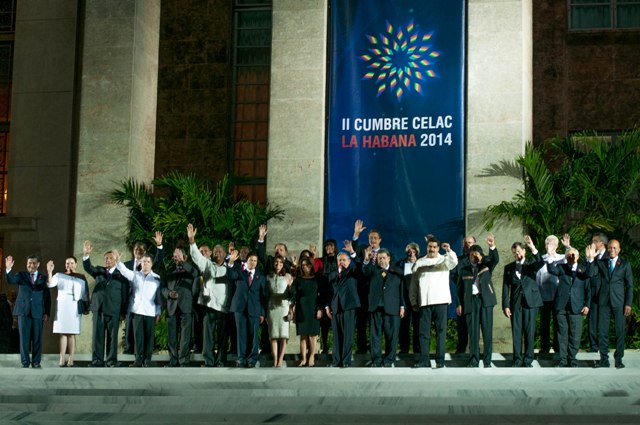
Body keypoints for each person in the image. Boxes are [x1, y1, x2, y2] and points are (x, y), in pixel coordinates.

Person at [188, 224, 235, 367]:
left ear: (224, 254)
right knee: (207, 335)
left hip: (223, 306)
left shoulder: (230, 267)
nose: (217, 253)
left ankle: (220, 360)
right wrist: (191, 240)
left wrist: (231, 261)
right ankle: (208, 361)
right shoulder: (207, 265)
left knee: (222, 336)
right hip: (209, 305)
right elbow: (196, 256)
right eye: (215, 251)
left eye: (220, 251)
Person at [409, 237, 458, 368]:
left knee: (441, 332)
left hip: (441, 301)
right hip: (424, 302)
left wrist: (449, 250)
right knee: (423, 333)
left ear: (438, 248)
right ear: (427, 247)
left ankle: (440, 360)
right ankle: (424, 360)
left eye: (434, 247)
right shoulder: (420, 262)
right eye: (430, 247)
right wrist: (413, 300)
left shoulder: (444, 260)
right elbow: (414, 284)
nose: (432, 249)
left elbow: (454, 262)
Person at [82, 241, 130, 368]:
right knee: (97, 336)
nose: (107, 260)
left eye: (110, 258)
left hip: (114, 310)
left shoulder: (122, 275)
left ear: (116, 260)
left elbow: (124, 295)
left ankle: (111, 361)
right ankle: (97, 361)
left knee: (112, 337)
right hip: (99, 308)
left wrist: (123, 312)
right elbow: (88, 267)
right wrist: (86, 255)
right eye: (106, 258)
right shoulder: (98, 271)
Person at [588, 239, 633, 369]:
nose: (612, 250)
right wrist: (591, 259)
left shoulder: (625, 264)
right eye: (610, 248)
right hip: (603, 302)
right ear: (607, 249)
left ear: (619, 250)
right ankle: (604, 360)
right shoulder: (601, 263)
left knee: (619, 331)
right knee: (602, 332)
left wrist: (628, 304)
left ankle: (618, 360)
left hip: (619, 303)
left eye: (614, 248)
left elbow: (630, 286)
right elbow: (591, 273)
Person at [456, 234, 499, 368]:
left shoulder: (486, 266)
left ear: (480, 255)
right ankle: (474, 359)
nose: (473, 257)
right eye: (471, 255)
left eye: (476, 255)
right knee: (473, 333)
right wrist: (458, 304)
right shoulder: (464, 270)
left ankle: (487, 361)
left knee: (487, 332)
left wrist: (491, 246)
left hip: (485, 301)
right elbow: (459, 289)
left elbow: (495, 259)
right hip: (471, 302)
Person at [502, 235, 544, 367]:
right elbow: (505, 287)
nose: (517, 254)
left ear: (524, 251)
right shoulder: (509, 268)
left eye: (519, 251)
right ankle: (517, 359)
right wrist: (505, 305)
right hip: (516, 303)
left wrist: (532, 247)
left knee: (529, 331)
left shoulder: (531, 264)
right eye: (514, 252)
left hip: (531, 302)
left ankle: (528, 359)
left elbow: (541, 262)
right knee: (517, 331)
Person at [4, 254, 51, 368]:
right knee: (24, 338)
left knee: (37, 338)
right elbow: (10, 279)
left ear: (38, 264)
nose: (31, 265)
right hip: (23, 311)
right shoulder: (21, 275)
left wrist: (47, 312)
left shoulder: (43, 278)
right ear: (27, 264)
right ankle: (25, 361)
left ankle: (36, 361)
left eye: (34, 263)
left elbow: (47, 297)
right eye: (29, 263)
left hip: (38, 311)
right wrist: (8, 268)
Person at [116, 251, 161, 367]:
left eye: (148, 262)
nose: (145, 264)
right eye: (143, 261)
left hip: (150, 311)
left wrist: (158, 312)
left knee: (149, 337)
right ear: (140, 263)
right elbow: (125, 272)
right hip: (137, 311)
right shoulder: (136, 275)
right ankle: (138, 360)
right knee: (138, 337)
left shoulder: (157, 278)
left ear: (151, 264)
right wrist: (118, 262)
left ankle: (147, 360)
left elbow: (158, 297)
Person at [547, 247, 591, 367]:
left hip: (576, 307)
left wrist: (587, 305)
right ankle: (563, 360)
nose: (571, 257)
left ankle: (572, 359)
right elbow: (551, 270)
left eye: (574, 255)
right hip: (561, 306)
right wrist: (550, 256)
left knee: (575, 335)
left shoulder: (583, 269)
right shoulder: (561, 268)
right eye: (569, 255)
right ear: (566, 257)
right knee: (562, 335)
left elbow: (588, 288)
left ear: (578, 256)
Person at [362, 247, 405, 367]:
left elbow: (402, 290)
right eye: (379, 258)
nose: (381, 260)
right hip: (376, 308)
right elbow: (365, 271)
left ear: (389, 258)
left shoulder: (397, 272)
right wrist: (367, 259)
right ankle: (376, 360)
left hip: (392, 309)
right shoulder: (373, 270)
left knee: (392, 336)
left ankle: (389, 359)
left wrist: (402, 306)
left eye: (384, 258)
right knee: (375, 337)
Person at [122, 234, 164, 355]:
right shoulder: (127, 265)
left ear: (144, 251)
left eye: (141, 249)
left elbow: (158, 259)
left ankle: (142, 354)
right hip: (130, 301)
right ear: (133, 251)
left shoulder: (149, 264)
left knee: (142, 331)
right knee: (130, 327)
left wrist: (159, 246)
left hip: (145, 305)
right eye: (136, 249)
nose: (138, 251)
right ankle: (128, 351)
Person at [46, 257, 90, 367]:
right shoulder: (59, 275)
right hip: (62, 306)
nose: (69, 265)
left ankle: (71, 359)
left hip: (74, 306)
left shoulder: (81, 277)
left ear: (75, 264)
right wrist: (50, 272)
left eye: (71, 263)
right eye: (67, 263)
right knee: (63, 333)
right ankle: (61, 357)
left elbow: (85, 294)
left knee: (71, 334)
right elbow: (50, 284)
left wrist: (85, 307)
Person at [227, 250, 267, 368]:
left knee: (253, 335)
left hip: (255, 309)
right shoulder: (240, 273)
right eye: (251, 260)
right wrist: (230, 262)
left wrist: (262, 313)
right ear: (246, 261)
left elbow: (263, 296)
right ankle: (241, 358)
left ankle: (252, 359)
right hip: (240, 308)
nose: (253, 262)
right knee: (241, 334)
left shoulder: (261, 277)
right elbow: (230, 275)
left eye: (255, 261)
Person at [162, 247, 199, 367]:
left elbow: (196, 274)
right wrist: (168, 293)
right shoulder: (169, 271)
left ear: (185, 257)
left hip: (186, 306)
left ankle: (183, 360)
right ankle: (173, 360)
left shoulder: (190, 270)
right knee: (172, 336)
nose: (176, 257)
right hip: (171, 307)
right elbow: (162, 287)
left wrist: (183, 263)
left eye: (178, 255)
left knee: (185, 336)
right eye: (174, 255)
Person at [352, 219, 383, 354]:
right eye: (371, 238)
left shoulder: (385, 254)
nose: (373, 240)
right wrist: (356, 235)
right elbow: (354, 249)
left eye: (375, 238)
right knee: (362, 322)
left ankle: (375, 349)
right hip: (363, 292)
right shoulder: (364, 249)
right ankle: (361, 349)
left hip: (378, 294)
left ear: (380, 240)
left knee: (376, 324)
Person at [325, 249, 361, 368]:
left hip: (349, 307)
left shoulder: (353, 271)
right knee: (336, 335)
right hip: (336, 307)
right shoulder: (333, 274)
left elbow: (360, 266)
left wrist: (353, 252)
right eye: (339, 260)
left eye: (344, 260)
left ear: (349, 261)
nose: (341, 262)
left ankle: (346, 361)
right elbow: (328, 292)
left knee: (348, 335)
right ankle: (336, 361)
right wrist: (327, 307)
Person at [536, 235, 565, 354]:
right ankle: (545, 347)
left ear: (557, 246)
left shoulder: (562, 258)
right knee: (544, 323)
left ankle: (558, 348)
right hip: (544, 296)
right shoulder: (541, 259)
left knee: (558, 323)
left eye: (552, 244)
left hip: (558, 296)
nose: (549, 246)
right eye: (548, 244)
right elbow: (538, 277)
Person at [293, 257, 322, 367]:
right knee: (303, 335)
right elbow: (295, 296)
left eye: (308, 265)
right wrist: (293, 309)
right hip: (301, 308)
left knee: (312, 335)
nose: (306, 267)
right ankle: (303, 359)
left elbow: (321, 295)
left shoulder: (317, 279)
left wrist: (319, 308)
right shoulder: (298, 280)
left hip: (313, 308)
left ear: (312, 265)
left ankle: (311, 357)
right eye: (303, 265)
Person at [266, 256, 293, 367]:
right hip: (272, 307)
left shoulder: (288, 276)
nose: (278, 264)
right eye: (276, 262)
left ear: (283, 264)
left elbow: (292, 294)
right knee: (273, 335)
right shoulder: (268, 277)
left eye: (280, 262)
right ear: (273, 264)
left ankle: (281, 359)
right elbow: (265, 293)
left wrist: (290, 285)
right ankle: (275, 359)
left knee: (283, 335)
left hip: (284, 307)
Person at [451, 235, 476, 353]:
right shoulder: (458, 261)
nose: (467, 245)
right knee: (462, 328)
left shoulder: (481, 260)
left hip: (477, 298)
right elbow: (454, 277)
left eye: (470, 243)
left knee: (474, 328)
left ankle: (475, 353)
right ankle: (460, 352)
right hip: (463, 297)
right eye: (465, 243)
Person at [396, 242, 420, 354]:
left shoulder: (421, 262)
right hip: (405, 298)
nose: (411, 253)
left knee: (418, 324)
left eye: (413, 251)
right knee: (404, 325)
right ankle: (404, 349)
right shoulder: (401, 263)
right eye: (409, 251)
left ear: (417, 252)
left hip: (418, 298)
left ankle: (417, 349)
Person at [319, 239, 338, 355]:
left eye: (330, 246)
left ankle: (336, 347)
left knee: (335, 323)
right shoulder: (322, 260)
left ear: (335, 247)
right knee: (324, 325)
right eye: (326, 246)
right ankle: (324, 347)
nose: (328, 248)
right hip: (325, 293)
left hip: (336, 294)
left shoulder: (338, 259)